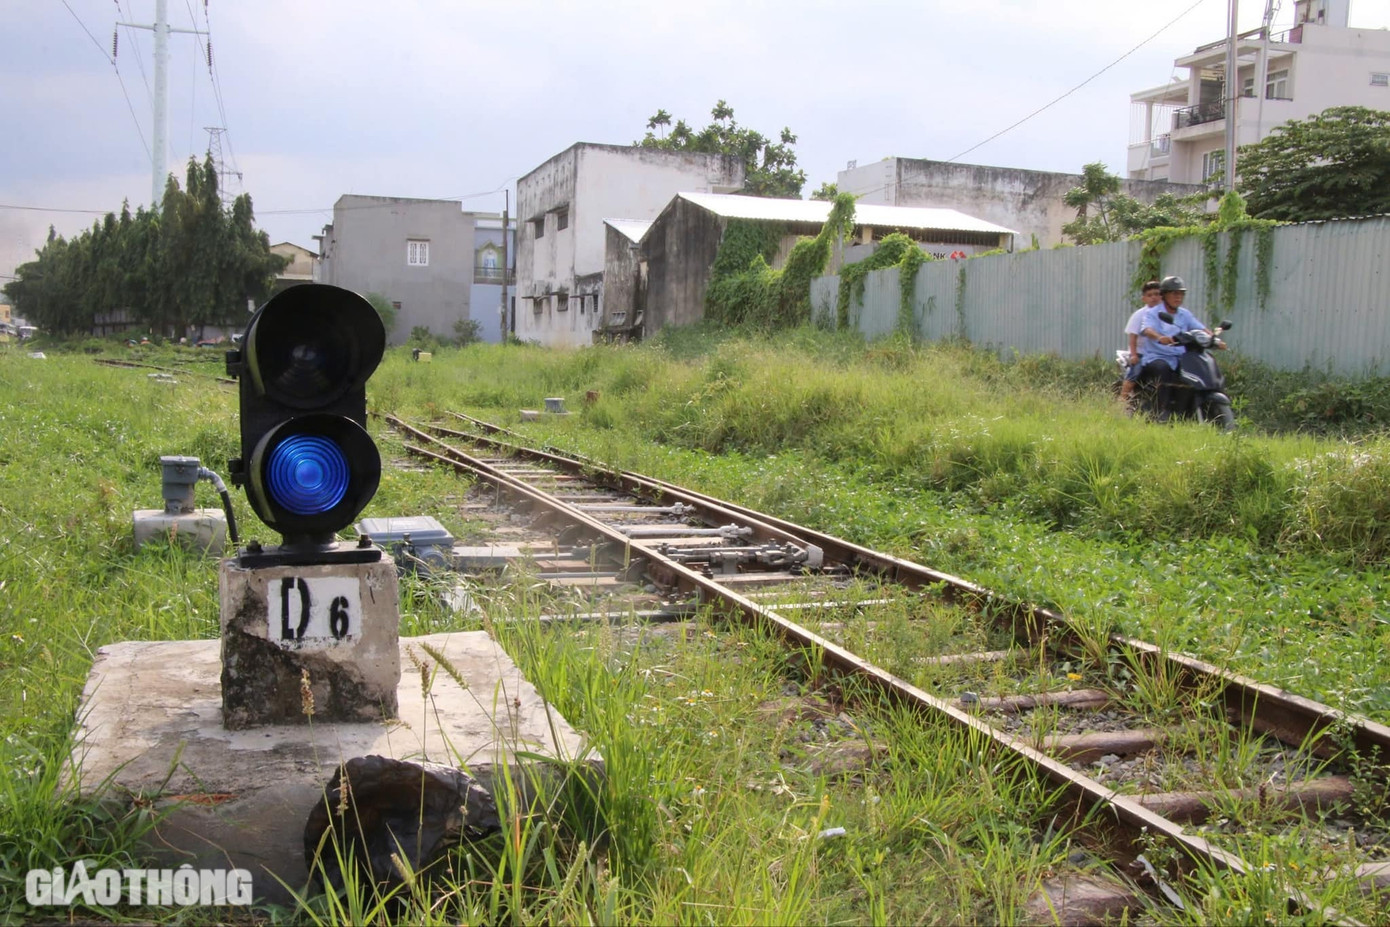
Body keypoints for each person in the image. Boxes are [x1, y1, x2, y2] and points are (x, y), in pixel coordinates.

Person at [1136, 275, 1213, 420]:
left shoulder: (1185, 314)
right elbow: (1147, 329)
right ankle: (1162, 411)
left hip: (1180, 357)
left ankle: (1185, 411)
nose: (1178, 297)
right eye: (1174, 293)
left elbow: (1200, 328)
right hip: (1158, 356)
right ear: (1164, 295)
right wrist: (1160, 337)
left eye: (1181, 294)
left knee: (1195, 371)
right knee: (1162, 369)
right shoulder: (1153, 313)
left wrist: (1213, 338)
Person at [1119, 281, 1162, 407]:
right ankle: (1122, 399)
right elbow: (1132, 337)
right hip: (1141, 353)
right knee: (1136, 371)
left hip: (1160, 353)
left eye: (1157, 294)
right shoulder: (1139, 315)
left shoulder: (1166, 314)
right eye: (1150, 295)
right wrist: (1133, 355)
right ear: (1144, 298)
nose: (1153, 297)